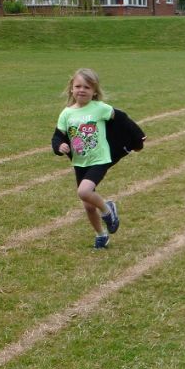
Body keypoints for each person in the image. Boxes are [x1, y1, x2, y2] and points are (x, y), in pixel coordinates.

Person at [54, 69, 122, 248]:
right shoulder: (67, 113)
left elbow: (122, 119)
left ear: (94, 91)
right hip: (79, 162)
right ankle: (101, 235)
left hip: (99, 159)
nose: (82, 90)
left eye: (87, 87)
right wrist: (59, 146)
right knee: (88, 205)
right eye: (78, 86)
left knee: (84, 192)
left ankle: (108, 211)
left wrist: (137, 138)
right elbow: (57, 136)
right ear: (71, 89)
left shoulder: (100, 108)